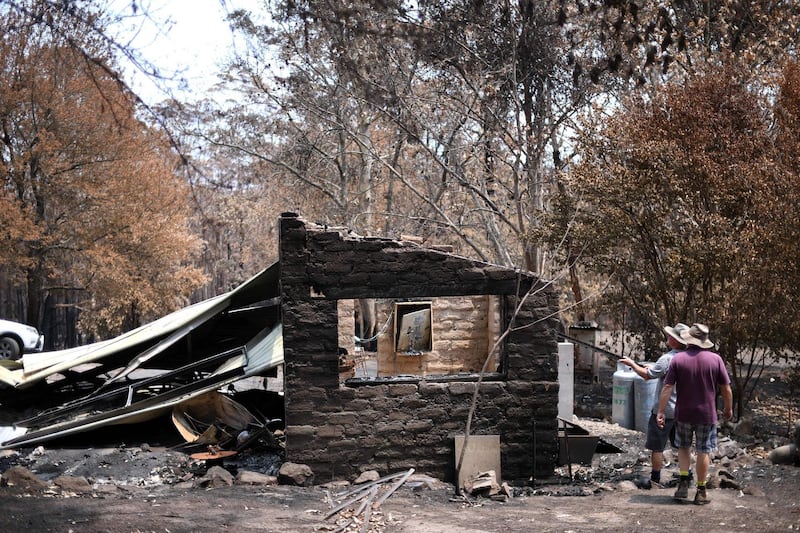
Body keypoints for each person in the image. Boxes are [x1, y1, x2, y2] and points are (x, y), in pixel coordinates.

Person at [656, 323, 733, 505]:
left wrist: (661, 410)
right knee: (703, 451)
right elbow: (726, 388)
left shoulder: (678, 359)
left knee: (683, 447)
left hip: (683, 413)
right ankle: (701, 490)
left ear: (688, 339)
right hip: (706, 414)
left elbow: (667, 387)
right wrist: (728, 408)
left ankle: (683, 484)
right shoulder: (716, 360)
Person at [619, 322, 689, 487]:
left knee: (657, 447)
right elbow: (658, 371)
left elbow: (647, 375)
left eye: (671, 336)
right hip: (684, 411)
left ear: (675, 341)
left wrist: (632, 364)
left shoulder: (667, 359)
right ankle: (686, 477)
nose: (668, 337)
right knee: (682, 447)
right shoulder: (690, 359)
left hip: (664, 411)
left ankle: (655, 479)